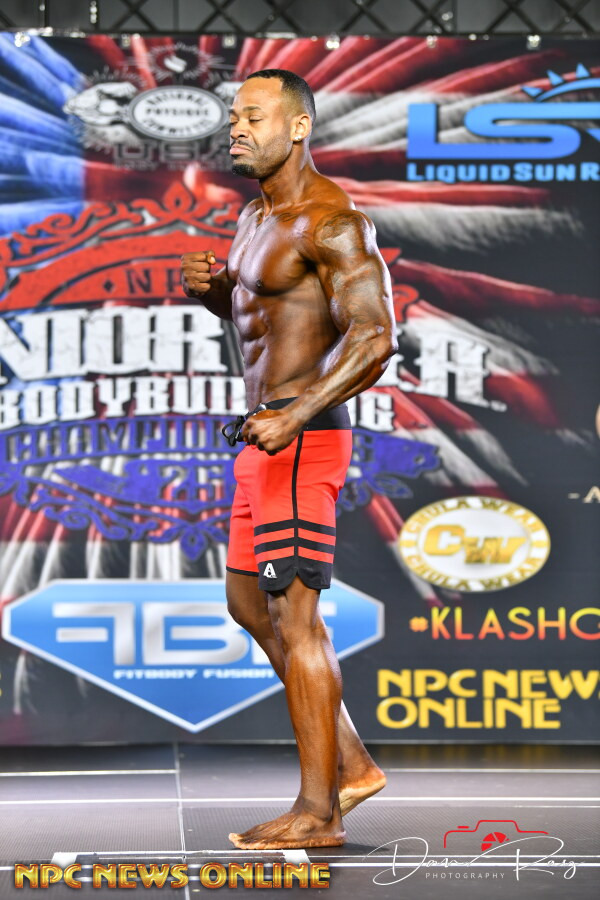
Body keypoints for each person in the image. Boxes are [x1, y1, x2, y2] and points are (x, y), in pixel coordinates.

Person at [181, 69, 397, 850]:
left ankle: (319, 811)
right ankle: (353, 763)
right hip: (262, 437)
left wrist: (299, 413)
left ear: (299, 127)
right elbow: (269, 318)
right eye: (233, 118)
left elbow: (375, 337)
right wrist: (215, 293)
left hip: (301, 439)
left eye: (254, 116)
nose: (236, 129)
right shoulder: (253, 215)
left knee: (297, 621)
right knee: (249, 605)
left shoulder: (332, 222)